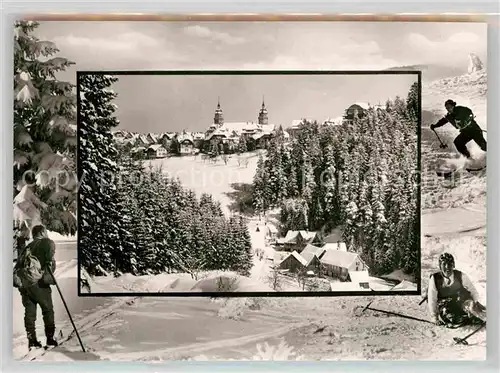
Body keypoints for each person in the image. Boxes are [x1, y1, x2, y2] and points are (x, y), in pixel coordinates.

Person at [18, 225, 58, 349]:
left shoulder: (27, 247)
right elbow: (50, 257)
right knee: (47, 310)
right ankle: (50, 339)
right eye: (45, 231)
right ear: (42, 232)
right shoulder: (46, 243)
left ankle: (32, 340)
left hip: (25, 284)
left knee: (29, 314)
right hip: (40, 284)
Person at [427, 252, 486, 327]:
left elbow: (472, 289)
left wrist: (475, 302)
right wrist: (434, 317)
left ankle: (470, 314)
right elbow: (432, 298)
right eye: (444, 264)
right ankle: (462, 318)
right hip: (445, 304)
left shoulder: (460, 275)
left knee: (469, 305)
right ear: (440, 266)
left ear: (453, 265)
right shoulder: (435, 278)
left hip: (460, 301)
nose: (447, 267)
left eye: (450, 264)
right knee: (454, 319)